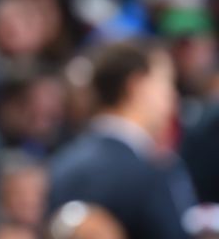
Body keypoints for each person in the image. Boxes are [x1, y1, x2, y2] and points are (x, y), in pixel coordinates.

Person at [47, 40, 196, 239]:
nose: (173, 96)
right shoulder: (150, 173)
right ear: (137, 86)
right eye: (166, 82)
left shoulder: (61, 165)